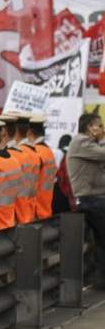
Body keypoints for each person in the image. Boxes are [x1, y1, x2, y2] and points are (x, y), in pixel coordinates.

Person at [67, 112, 105, 289]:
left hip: (95, 199)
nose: (103, 129)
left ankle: (100, 279)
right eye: (100, 126)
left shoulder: (90, 144)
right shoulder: (81, 142)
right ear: (90, 127)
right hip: (91, 200)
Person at [0, 112, 38, 224]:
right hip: (27, 213)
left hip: (13, 218)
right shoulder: (27, 154)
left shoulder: (10, 156)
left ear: (3, 132)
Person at [26, 114, 57, 220]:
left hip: (35, 212)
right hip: (45, 208)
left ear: (29, 133)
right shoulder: (48, 150)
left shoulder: (36, 152)